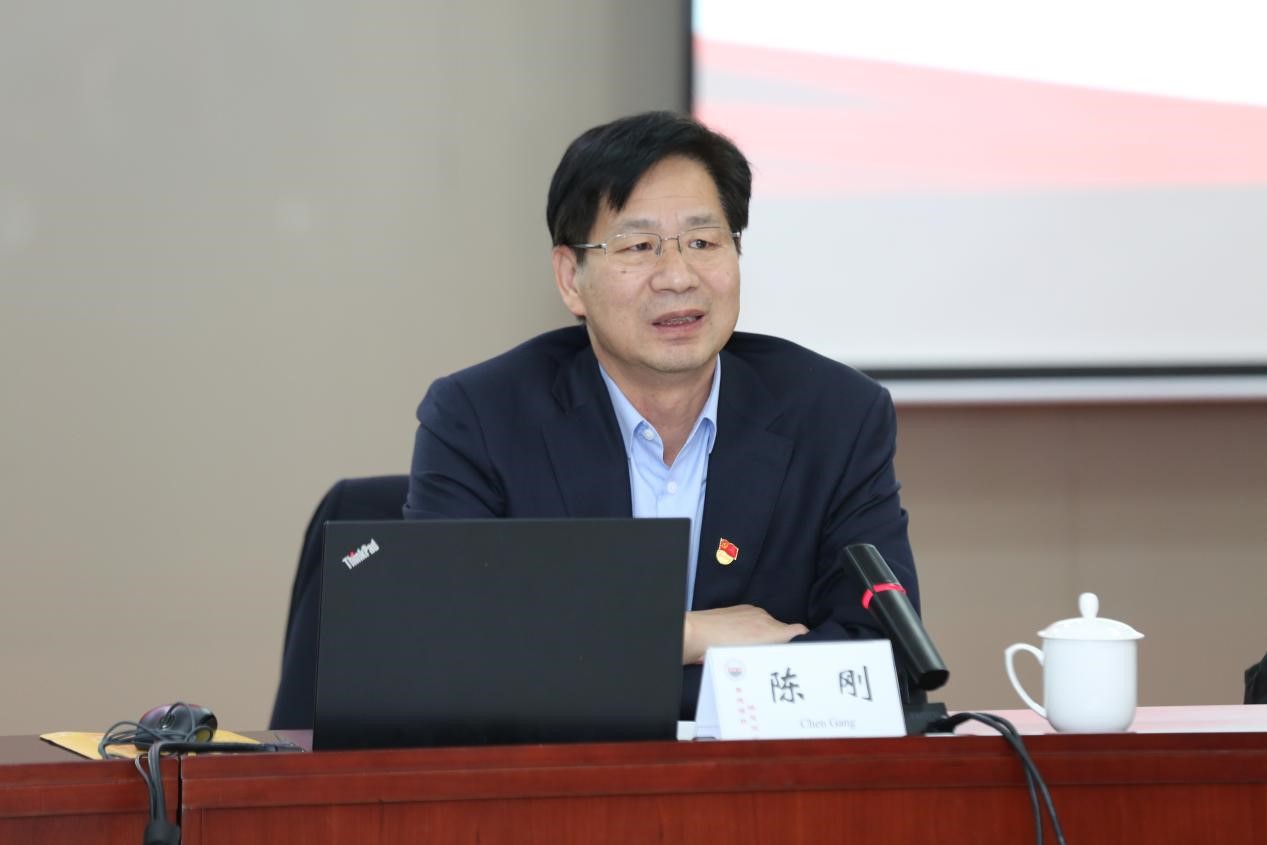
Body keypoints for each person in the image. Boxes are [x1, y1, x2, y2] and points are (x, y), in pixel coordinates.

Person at [405, 111, 918, 717]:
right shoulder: (482, 419)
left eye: (703, 242)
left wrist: (603, 668)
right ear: (571, 278)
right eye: (638, 246)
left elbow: (885, 661)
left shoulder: (835, 417)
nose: (677, 277)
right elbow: (445, 656)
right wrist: (687, 636)